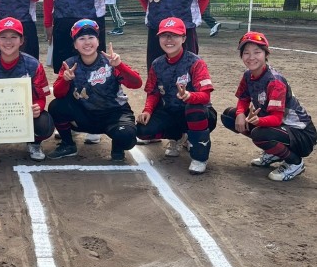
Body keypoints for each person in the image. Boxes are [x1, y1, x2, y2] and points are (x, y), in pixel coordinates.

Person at [221, 31, 316, 181]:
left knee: (260, 134)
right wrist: (240, 113)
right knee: (229, 116)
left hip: (302, 134)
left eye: (257, 52)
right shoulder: (248, 75)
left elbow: (276, 119)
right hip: (280, 127)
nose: (251, 57)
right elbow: (244, 98)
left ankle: (295, 163)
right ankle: (274, 152)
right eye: (246, 53)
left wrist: (258, 121)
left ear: (266, 54)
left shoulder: (275, 81)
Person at [48, 19, 142, 161]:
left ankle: (117, 147)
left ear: (98, 41)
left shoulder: (110, 61)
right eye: (81, 38)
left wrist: (120, 66)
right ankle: (68, 144)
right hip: (85, 115)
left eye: (91, 37)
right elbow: (58, 93)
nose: (87, 42)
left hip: (114, 114)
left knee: (127, 137)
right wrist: (65, 80)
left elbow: (136, 83)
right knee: (56, 106)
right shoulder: (69, 64)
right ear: (75, 44)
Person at [136, 17, 217, 175]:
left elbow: (205, 96)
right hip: (172, 111)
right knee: (142, 129)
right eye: (164, 35)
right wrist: (147, 110)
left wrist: (189, 96)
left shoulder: (196, 62)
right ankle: (178, 137)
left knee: (194, 110)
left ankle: (199, 157)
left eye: (174, 35)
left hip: (199, 114)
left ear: (184, 38)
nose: (169, 39)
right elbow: (153, 93)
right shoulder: (157, 64)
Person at [0, 17, 54, 163]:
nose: (8, 42)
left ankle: (34, 143)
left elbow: (41, 97)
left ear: (21, 40)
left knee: (44, 122)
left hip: (23, 113)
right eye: (3, 37)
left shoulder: (33, 65)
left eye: (13, 37)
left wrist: (38, 108)